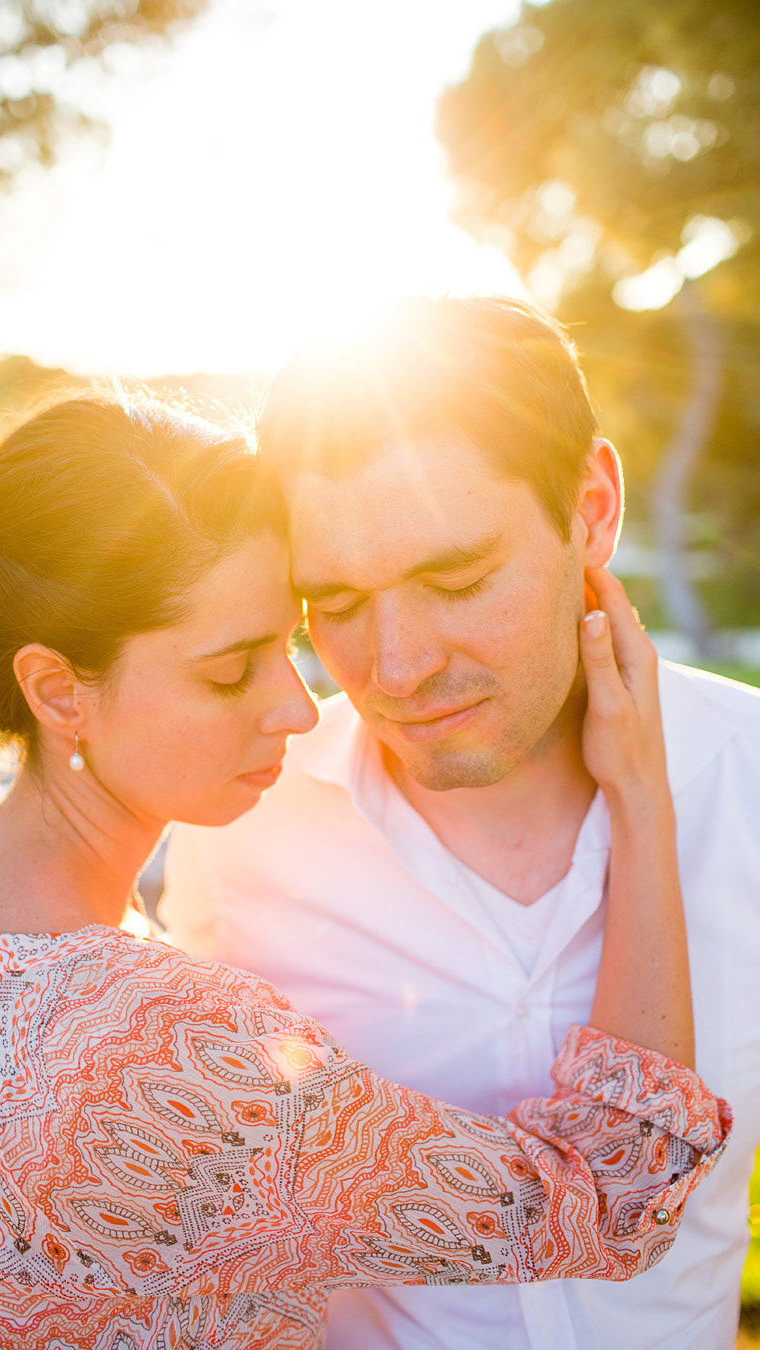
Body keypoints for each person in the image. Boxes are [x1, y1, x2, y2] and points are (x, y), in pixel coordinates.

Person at [0, 385, 729, 1349]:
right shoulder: (184, 1040)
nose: (299, 708)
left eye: (291, 639)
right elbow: (613, 1199)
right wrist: (642, 798)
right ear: (59, 690)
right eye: (230, 671)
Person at [152, 297, 760, 1350]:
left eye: (456, 579)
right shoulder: (243, 820)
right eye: (332, 605)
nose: (396, 669)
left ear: (593, 508)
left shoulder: (749, 780)